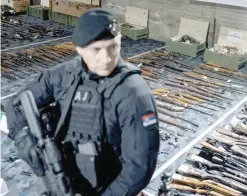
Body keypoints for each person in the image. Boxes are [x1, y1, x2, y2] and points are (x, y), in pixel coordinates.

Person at [6, 8, 160, 196]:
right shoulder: (64, 75)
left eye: (114, 47)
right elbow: (17, 104)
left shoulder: (134, 94)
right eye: (96, 49)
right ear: (79, 48)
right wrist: (25, 140)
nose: (107, 57)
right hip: (61, 178)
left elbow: (139, 168)